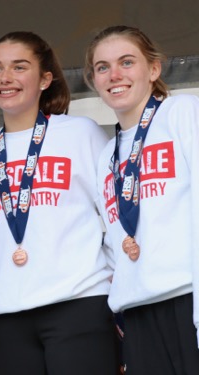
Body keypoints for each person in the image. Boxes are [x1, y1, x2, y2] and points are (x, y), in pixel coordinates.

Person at [0, 31, 119, 375]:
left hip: (80, 305)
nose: (5, 78)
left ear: (45, 79)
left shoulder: (79, 133)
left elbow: (118, 217)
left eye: (19, 67)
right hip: (2, 316)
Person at [84, 25, 199, 374]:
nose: (114, 75)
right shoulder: (108, 154)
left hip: (186, 297)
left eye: (126, 62)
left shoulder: (181, 112)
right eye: (102, 67)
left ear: (153, 69)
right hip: (138, 312)